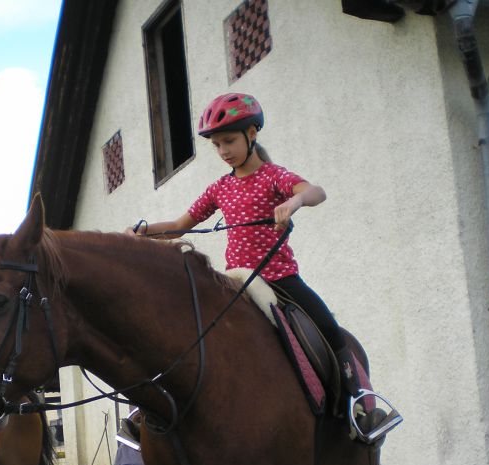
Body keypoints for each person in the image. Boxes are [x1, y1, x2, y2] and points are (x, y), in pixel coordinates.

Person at [127, 92, 400, 444]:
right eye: (216, 145)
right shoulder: (220, 188)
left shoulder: (273, 177)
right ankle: (146, 409)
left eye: (229, 140)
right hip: (234, 281)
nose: (223, 150)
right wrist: (144, 232)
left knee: (328, 327)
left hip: (280, 279)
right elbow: (181, 224)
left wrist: (295, 200)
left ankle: (360, 404)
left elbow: (315, 191)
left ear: (252, 134)